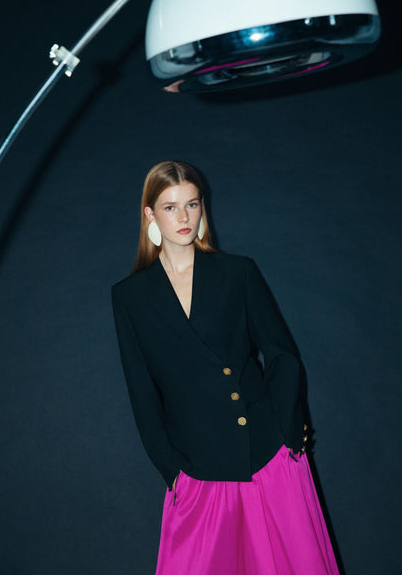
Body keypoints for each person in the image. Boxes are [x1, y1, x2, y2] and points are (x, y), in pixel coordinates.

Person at [111, 161, 339, 575]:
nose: (183, 217)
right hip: (198, 468)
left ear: (202, 207)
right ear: (150, 214)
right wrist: (172, 471)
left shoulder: (238, 272)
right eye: (170, 207)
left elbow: (282, 354)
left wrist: (289, 430)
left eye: (192, 204)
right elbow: (142, 393)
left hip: (266, 454)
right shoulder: (130, 296)